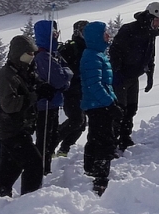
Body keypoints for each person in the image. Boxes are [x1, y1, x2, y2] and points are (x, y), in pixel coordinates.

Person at [0, 34, 50, 197]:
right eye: (29, 53)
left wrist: (44, 88)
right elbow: (9, 104)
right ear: (20, 53)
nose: (32, 56)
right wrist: (35, 95)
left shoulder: (24, 70)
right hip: (11, 128)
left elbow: (35, 84)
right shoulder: (7, 75)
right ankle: (30, 199)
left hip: (19, 126)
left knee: (10, 165)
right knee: (34, 162)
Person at [108, 2, 159, 152]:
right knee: (119, 110)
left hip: (134, 77)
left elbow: (150, 55)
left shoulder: (151, 33)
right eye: (157, 20)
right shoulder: (129, 29)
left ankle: (125, 138)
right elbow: (115, 50)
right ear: (149, 16)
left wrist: (150, 74)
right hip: (121, 76)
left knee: (131, 109)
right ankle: (111, 142)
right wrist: (117, 71)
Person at [79, 21, 117, 196]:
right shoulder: (92, 56)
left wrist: (112, 100)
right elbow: (94, 85)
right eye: (104, 33)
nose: (108, 36)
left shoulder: (97, 54)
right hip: (98, 105)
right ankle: (101, 179)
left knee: (95, 136)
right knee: (104, 140)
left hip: (98, 104)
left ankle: (91, 168)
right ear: (96, 36)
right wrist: (109, 103)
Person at [32, 19, 73, 174]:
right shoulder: (43, 56)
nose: (57, 36)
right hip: (45, 106)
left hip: (53, 103)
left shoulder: (52, 54)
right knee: (45, 141)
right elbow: (61, 79)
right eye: (54, 34)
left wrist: (65, 76)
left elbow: (66, 73)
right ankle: (41, 171)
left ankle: (45, 169)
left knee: (50, 139)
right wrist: (65, 77)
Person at [55, 20, 88, 158]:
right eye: (84, 31)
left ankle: (64, 149)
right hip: (72, 90)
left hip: (83, 90)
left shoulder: (88, 47)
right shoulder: (70, 48)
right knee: (76, 120)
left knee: (81, 123)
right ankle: (51, 142)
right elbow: (67, 69)